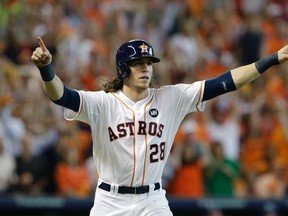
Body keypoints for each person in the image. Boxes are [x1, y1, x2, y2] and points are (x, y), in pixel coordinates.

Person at [31, 36, 288, 216]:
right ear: (123, 69)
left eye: (149, 63)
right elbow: (60, 96)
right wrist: (46, 69)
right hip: (110, 201)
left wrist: (272, 59)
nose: (146, 68)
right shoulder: (102, 104)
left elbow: (226, 82)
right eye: (139, 64)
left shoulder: (171, 97)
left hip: (151, 200)